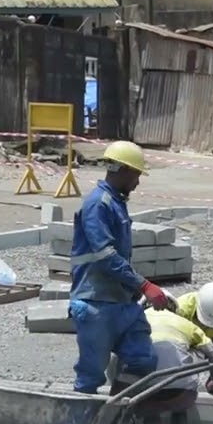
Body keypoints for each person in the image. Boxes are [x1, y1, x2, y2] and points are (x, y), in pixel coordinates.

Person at [68, 140, 170, 398]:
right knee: (91, 375)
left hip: (122, 303)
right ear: (122, 170)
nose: (137, 182)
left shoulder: (115, 202)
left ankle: (115, 419)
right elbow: (105, 256)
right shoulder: (98, 204)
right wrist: (144, 285)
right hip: (96, 302)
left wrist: (136, 290)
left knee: (143, 359)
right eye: (136, 174)